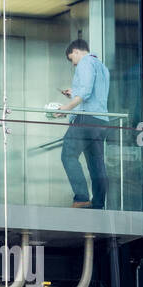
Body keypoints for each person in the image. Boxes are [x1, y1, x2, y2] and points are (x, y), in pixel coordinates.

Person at [55, 38, 110, 209]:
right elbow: (92, 92)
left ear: (77, 51)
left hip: (85, 119)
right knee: (96, 164)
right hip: (101, 120)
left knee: (68, 155)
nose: (73, 64)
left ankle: (81, 197)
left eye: (72, 59)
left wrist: (66, 108)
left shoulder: (85, 63)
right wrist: (73, 93)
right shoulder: (102, 66)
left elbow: (85, 92)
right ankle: (99, 203)